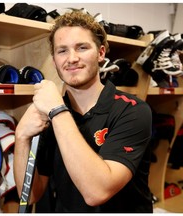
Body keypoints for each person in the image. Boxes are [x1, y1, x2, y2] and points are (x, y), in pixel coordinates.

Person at [14, 11, 153, 213]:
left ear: (101, 53)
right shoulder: (49, 115)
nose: (72, 58)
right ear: (54, 60)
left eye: (82, 47)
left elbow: (97, 192)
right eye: (62, 51)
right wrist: (21, 137)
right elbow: (31, 195)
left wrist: (57, 111)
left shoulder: (133, 111)